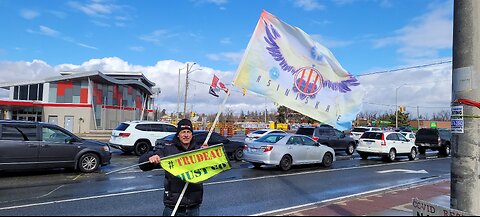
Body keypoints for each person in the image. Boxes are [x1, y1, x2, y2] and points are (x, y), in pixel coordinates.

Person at [139, 119, 205, 216]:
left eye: (188, 132)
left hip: (193, 207)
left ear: (192, 134)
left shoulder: (198, 151)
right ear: (178, 134)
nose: (186, 135)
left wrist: (207, 153)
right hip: (173, 207)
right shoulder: (168, 151)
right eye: (183, 132)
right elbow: (142, 164)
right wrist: (150, 159)